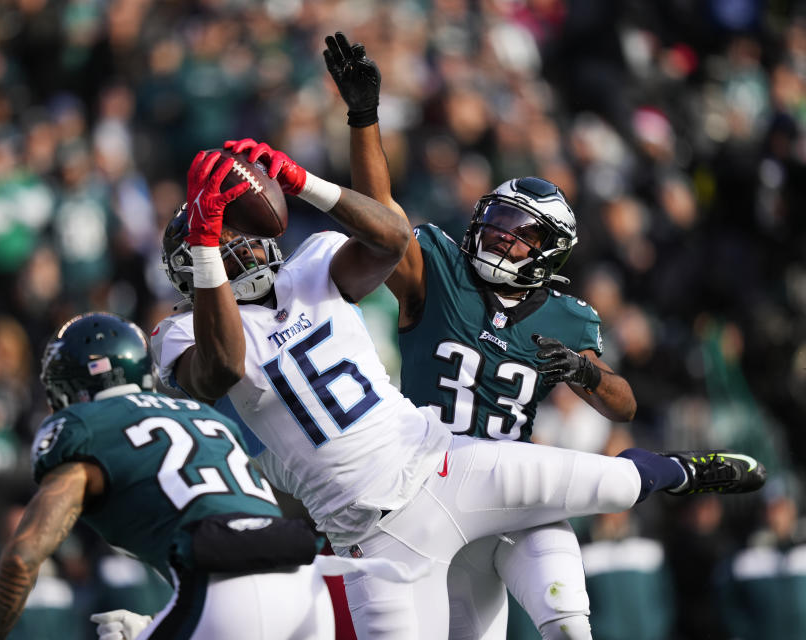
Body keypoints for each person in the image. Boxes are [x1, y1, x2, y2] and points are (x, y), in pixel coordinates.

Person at [152, 144, 766, 639]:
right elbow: (222, 367)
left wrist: (299, 178)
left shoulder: (312, 261)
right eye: (223, 236)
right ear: (193, 263)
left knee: (615, 484)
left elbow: (391, 240)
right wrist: (208, 245)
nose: (244, 242)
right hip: (374, 535)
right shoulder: (178, 333)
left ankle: (679, 472)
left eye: (235, 231)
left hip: (443, 461)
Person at [322, 31, 762, 640]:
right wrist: (364, 117)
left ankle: (677, 472)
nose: (502, 239)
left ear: (549, 251)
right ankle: (674, 471)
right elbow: (382, 222)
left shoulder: (566, 315)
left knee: (568, 624)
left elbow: (624, 403)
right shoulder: (442, 271)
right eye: (497, 225)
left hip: (515, 488)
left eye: (520, 233)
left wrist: (584, 374)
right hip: (428, 482)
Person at [0, 311, 338, 640]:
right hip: (307, 590)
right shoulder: (205, 417)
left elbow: (21, 560)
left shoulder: (84, 428)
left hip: (224, 595)